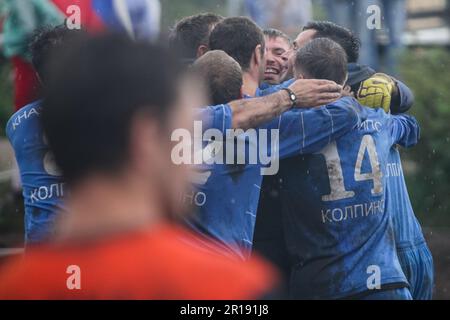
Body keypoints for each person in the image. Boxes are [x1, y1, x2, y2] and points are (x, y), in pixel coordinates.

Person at [0, 33, 279, 300]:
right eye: (180, 139)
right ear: (144, 139)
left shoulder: (14, 287)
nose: (191, 160)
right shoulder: (231, 287)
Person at [185, 17, 363, 260]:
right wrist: (303, 94)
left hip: (167, 268)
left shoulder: (172, 119)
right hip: (229, 270)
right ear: (258, 55)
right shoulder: (266, 126)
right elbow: (345, 114)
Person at [285, 21, 434, 299]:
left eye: (297, 47)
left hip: (358, 267)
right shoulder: (376, 117)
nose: (289, 55)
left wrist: (395, 89)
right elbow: (411, 128)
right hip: (387, 269)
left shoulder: (292, 124)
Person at [6, 25, 85, 244]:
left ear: (39, 76)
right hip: (90, 241)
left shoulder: (17, 123)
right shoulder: (107, 115)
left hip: (41, 245)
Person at [0, 0, 64, 111]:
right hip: (43, 50)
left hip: (39, 53)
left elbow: (29, 29)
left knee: (26, 102)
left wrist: (5, 41)